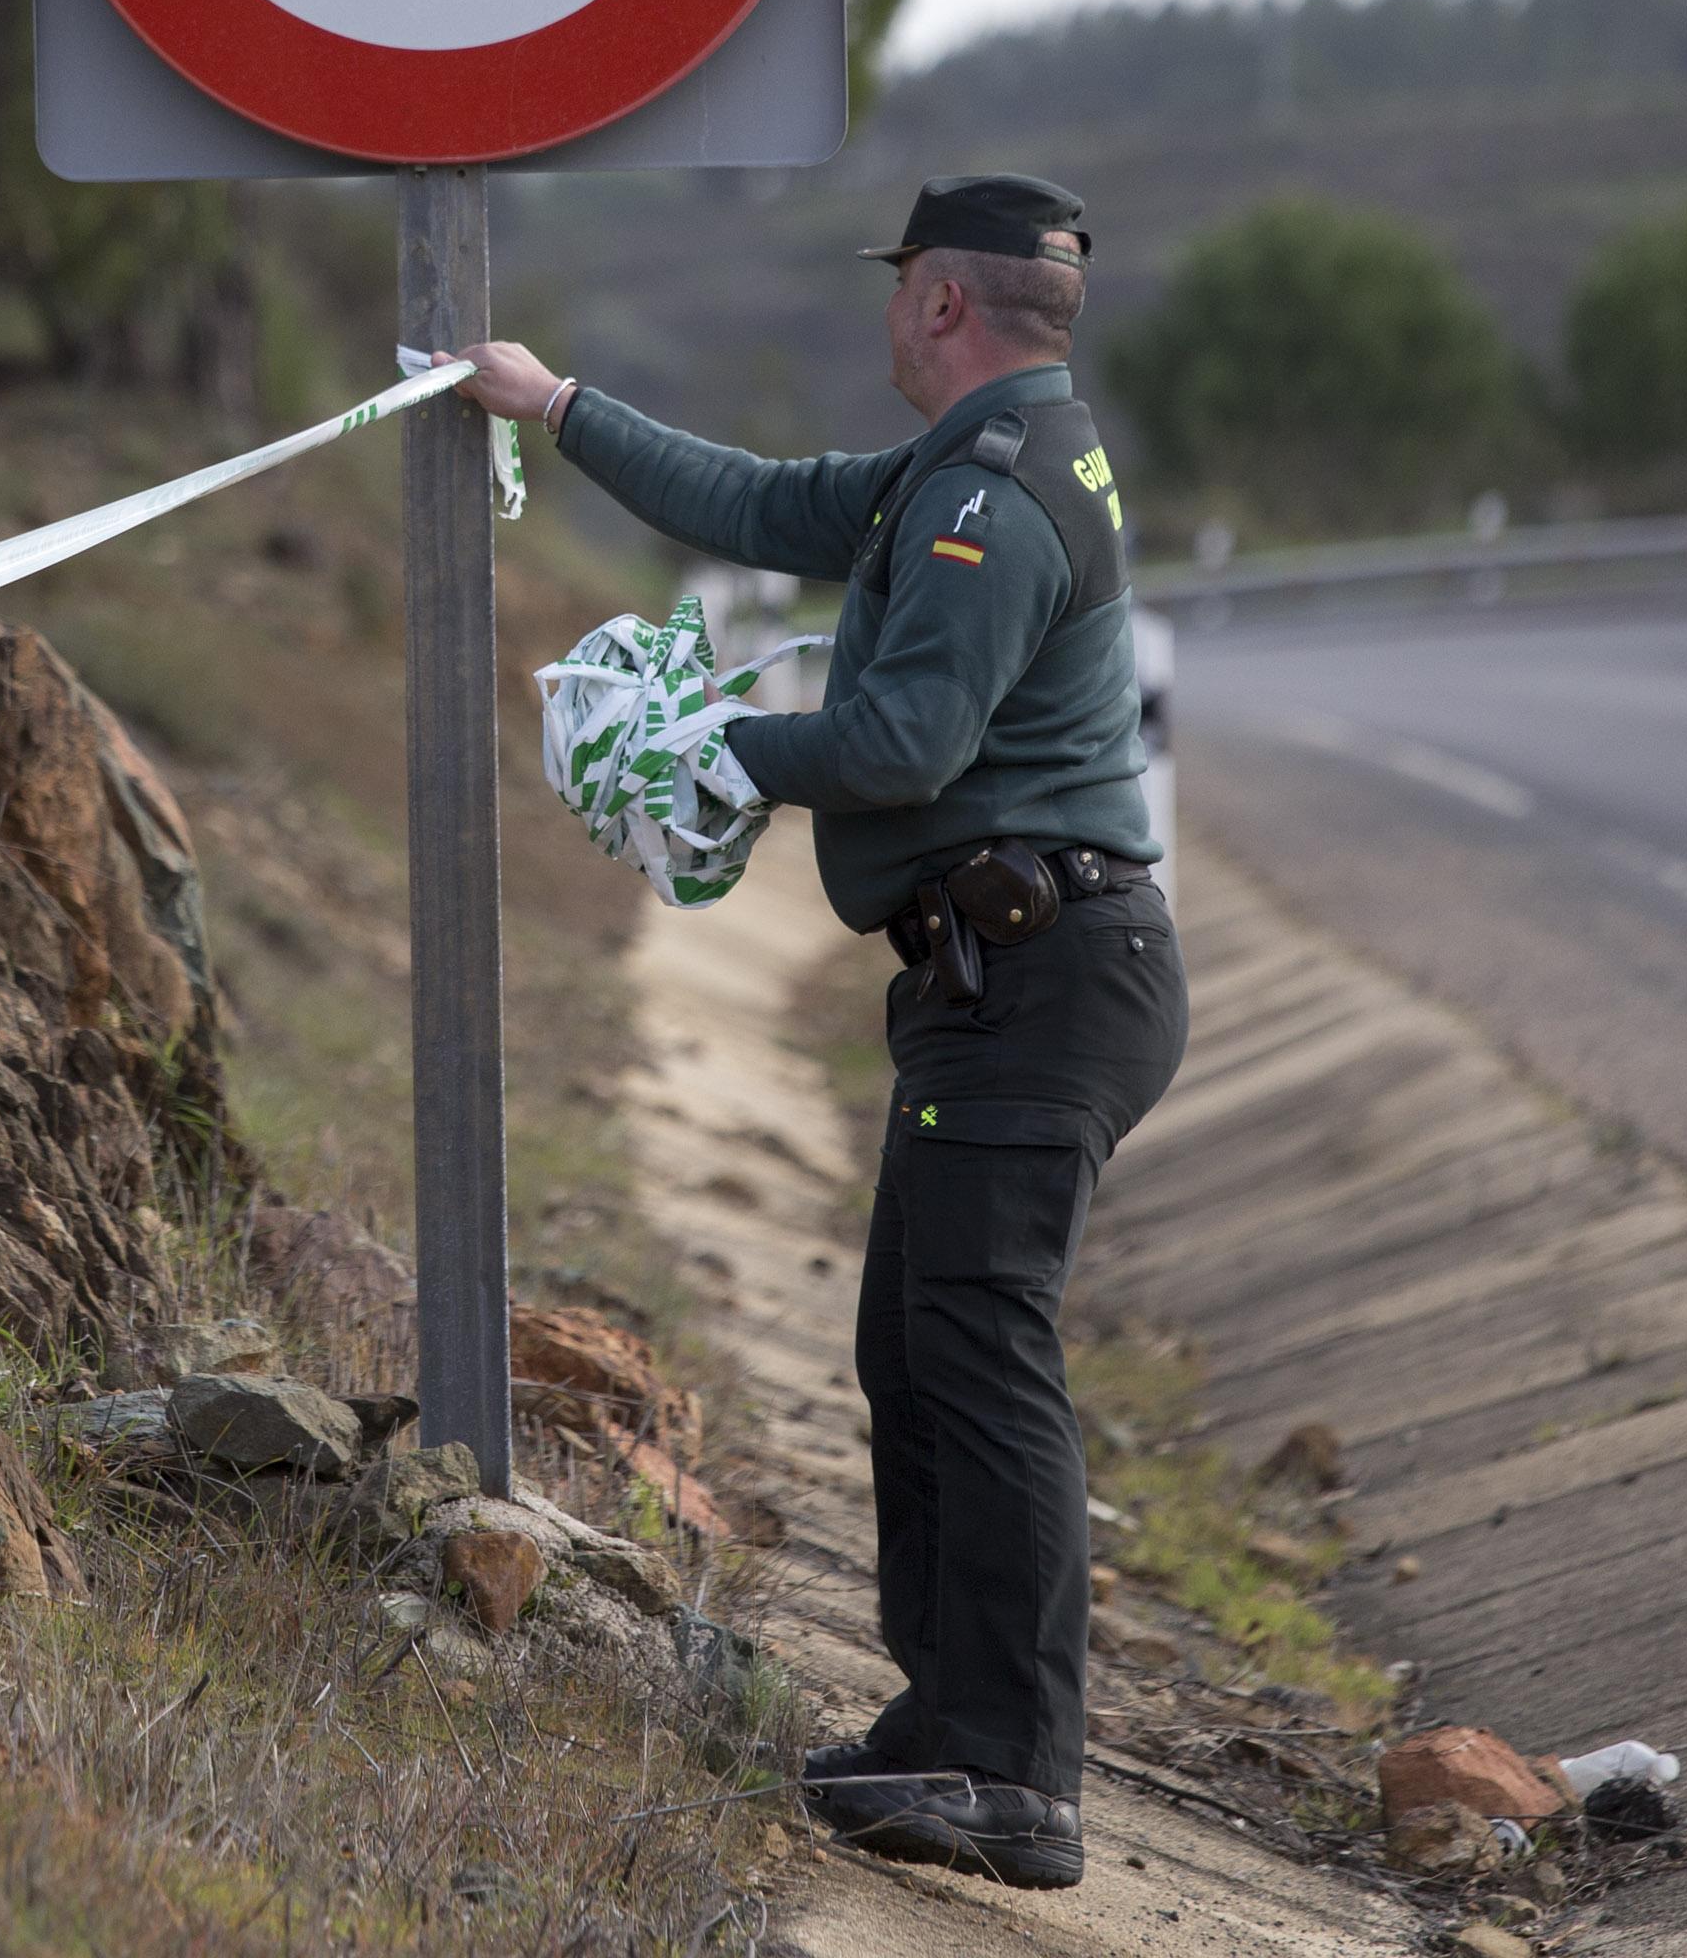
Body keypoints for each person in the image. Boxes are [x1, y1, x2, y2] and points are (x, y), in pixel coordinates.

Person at [446, 172, 1185, 1894]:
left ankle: (1016, 1776)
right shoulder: (977, 461)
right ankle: (948, 1729)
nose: (882, 317)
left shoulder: (990, 502)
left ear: (939, 300)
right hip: (1003, 977)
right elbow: (768, 501)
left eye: (894, 289)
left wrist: (719, 751)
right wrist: (556, 408)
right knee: (915, 1353)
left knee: (982, 1360)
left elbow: (910, 739)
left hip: (1046, 977)